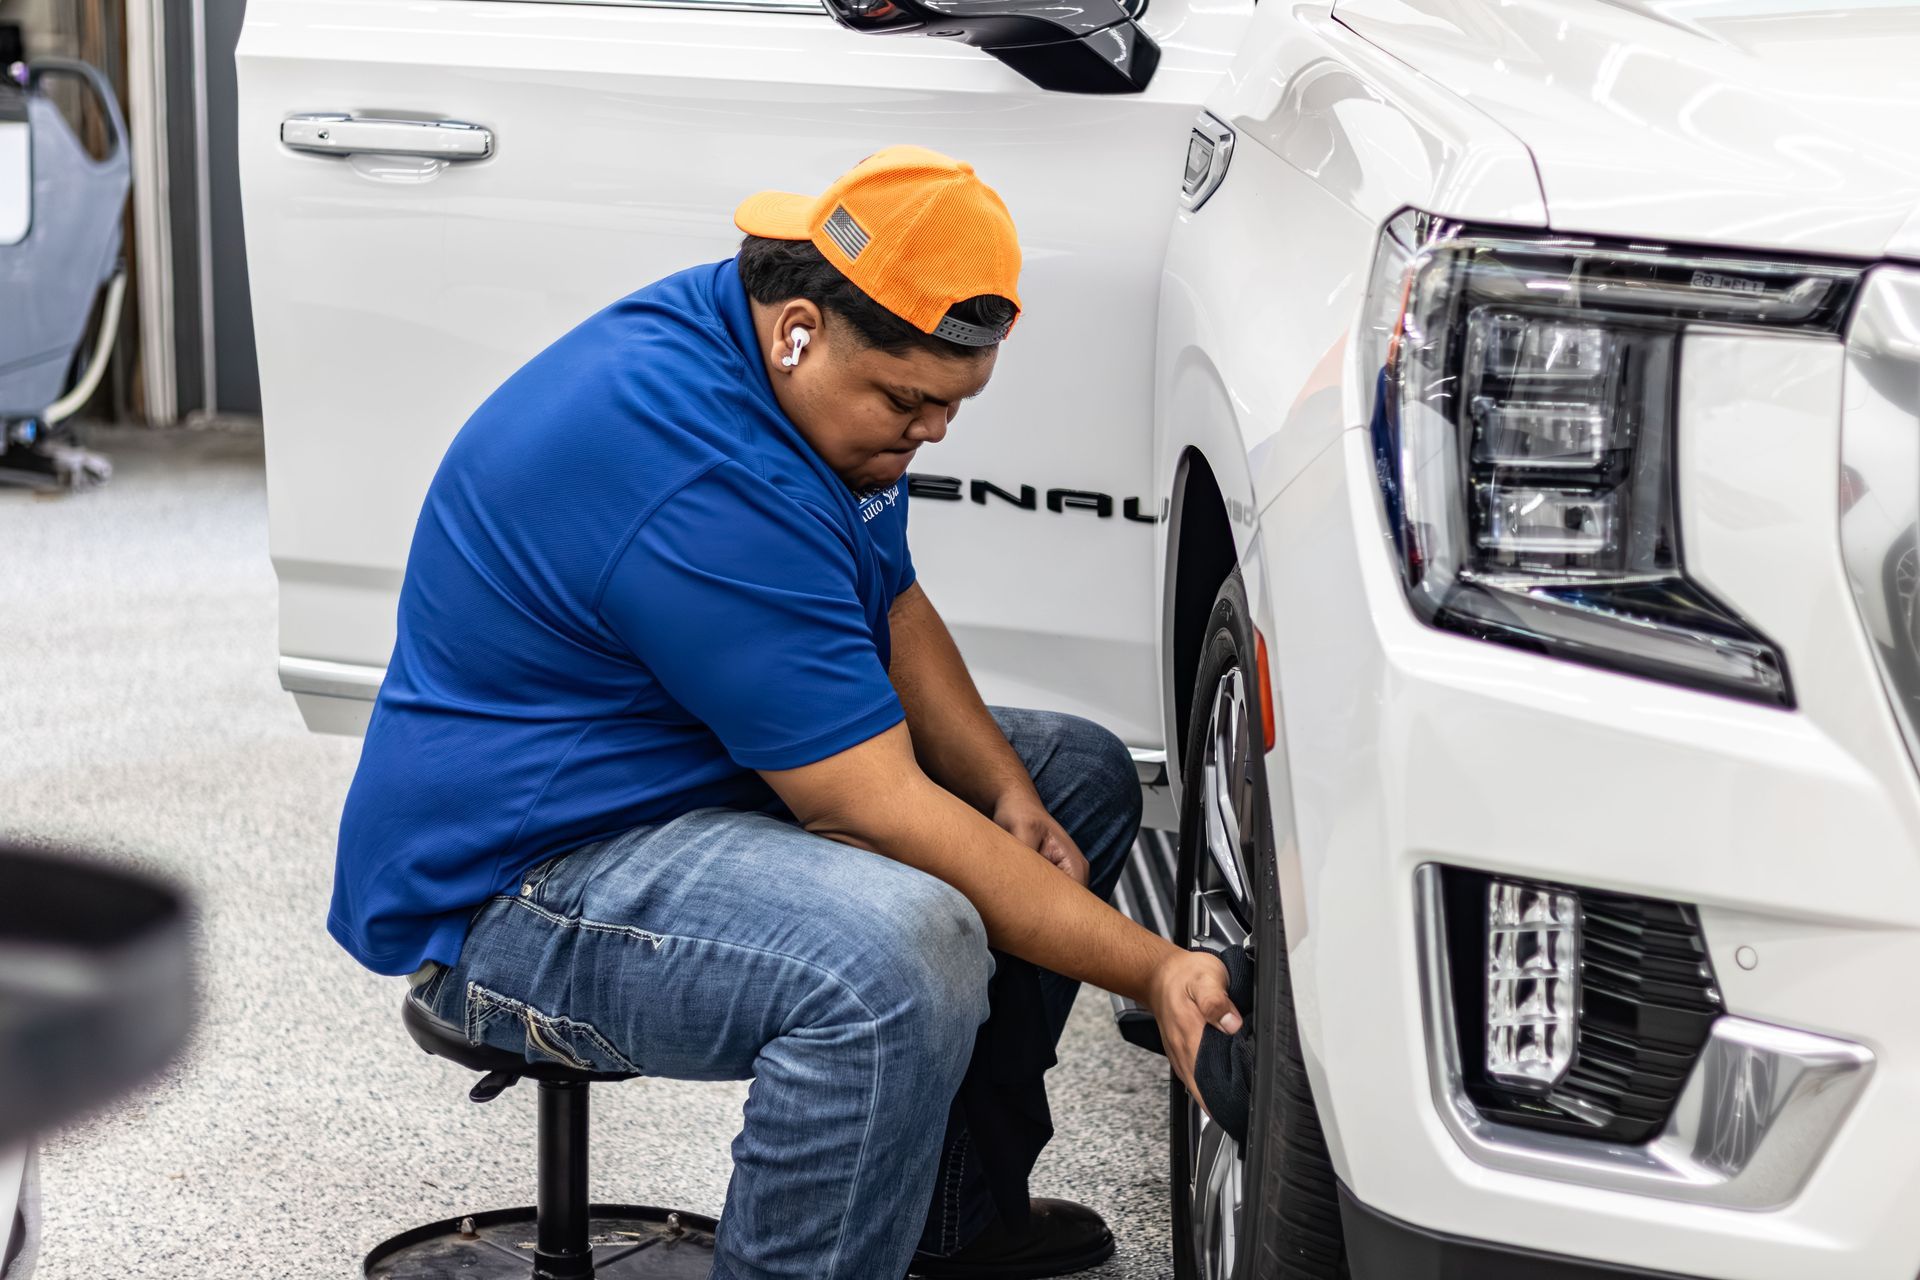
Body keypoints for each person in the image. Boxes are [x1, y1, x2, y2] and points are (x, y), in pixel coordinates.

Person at [329, 144, 1238, 1280]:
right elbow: (871, 809)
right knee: (895, 960)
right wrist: (1155, 967)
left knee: (1074, 774)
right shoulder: (697, 465)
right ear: (799, 326)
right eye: (911, 401)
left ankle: (949, 1223)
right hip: (516, 887)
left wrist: (1009, 789)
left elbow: (889, 598)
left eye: (953, 404)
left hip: (672, 773)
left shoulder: (792, 375)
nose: (933, 432)